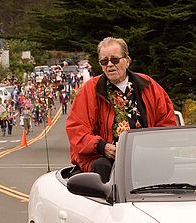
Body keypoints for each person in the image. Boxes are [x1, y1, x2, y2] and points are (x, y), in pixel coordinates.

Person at [66, 36, 177, 182]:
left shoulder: (149, 85)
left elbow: (167, 122)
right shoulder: (89, 90)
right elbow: (76, 129)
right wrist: (103, 147)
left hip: (145, 153)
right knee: (103, 167)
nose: (110, 65)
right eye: (104, 61)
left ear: (127, 60)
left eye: (115, 60)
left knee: (165, 161)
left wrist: (151, 145)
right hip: (101, 155)